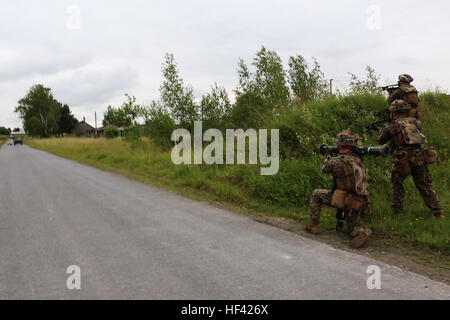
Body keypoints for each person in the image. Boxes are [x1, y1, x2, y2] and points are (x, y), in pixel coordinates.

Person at [378, 100, 445, 219]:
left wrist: (382, 131)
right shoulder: (416, 122)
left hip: (403, 159)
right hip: (419, 156)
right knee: (425, 185)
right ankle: (438, 212)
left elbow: (381, 140)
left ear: (394, 112)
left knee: (397, 183)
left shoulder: (392, 126)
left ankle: (397, 211)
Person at [305, 130, 372, 249]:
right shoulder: (359, 160)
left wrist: (328, 157)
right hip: (360, 201)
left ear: (339, 144)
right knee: (352, 228)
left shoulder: (336, 161)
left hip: (344, 199)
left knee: (316, 194)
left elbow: (324, 169)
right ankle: (361, 231)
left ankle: (313, 225)